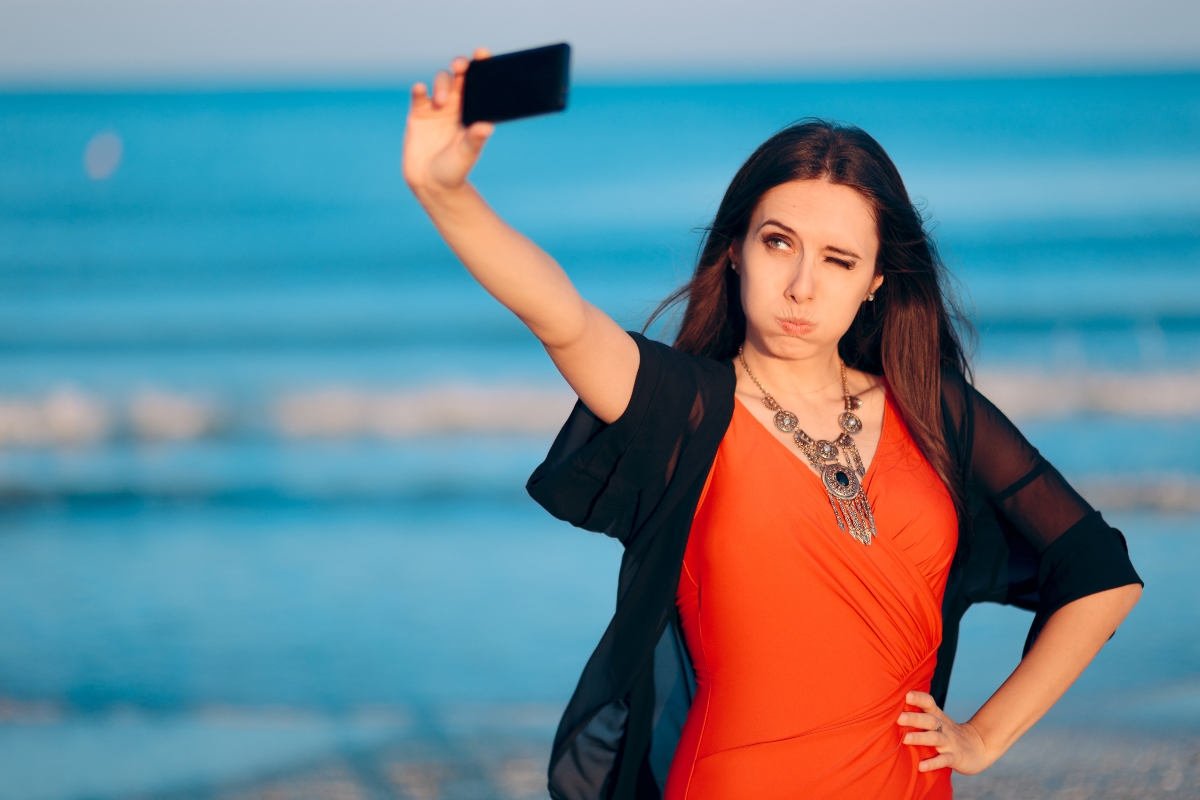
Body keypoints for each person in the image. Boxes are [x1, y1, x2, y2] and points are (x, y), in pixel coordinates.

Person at [402, 50, 1143, 800]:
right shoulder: (688, 408)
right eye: (778, 242)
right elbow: (559, 317)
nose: (801, 286)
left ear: (876, 284)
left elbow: (1101, 576)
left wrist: (985, 734)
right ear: (735, 251)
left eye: (838, 260)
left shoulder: (935, 410)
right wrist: (445, 191)